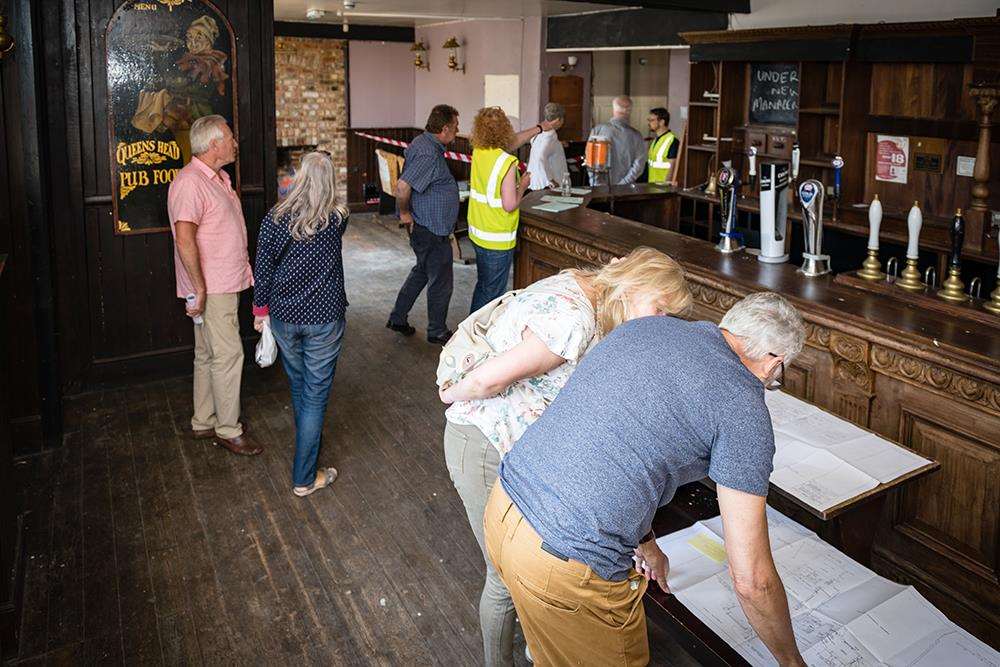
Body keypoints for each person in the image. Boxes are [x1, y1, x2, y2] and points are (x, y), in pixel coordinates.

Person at [485, 292, 808, 667]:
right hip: (562, 560)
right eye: (779, 375)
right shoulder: (743, 409)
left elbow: (615, 439)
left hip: (505, 506)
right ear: (774, 361)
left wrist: (646, 542)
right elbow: (752, 580)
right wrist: (791, 661)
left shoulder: (648, 328)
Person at [439, 248, 692, 667]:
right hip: (485, 442)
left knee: (519, 568)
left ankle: (536, 647)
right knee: (503, 575)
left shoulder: (593, 294)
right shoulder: (575, 316)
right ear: (634, 285)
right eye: (660, 308)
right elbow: (487, 380)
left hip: (520, 449)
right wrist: (451, 393)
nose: (660, 323)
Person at [251, 151, 350, 497]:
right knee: (315, 394)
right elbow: (327, 210)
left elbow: (262, 270)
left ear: (298, 176)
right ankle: (305, 477)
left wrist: (260, 311)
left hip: (284, 317)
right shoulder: (337, 219)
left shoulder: (274, 219)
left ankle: (310, 449)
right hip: (324, 318)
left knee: (300, 386)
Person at [168, 114, 261, 456]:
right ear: (213, 145)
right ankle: (227, 429)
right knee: (228, 354)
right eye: (230, 138)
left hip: (221, 281)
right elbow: (184, 239)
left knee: (207, 354)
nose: (235, 143)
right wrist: (200, 287)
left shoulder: (218, 177)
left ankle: (204, 419)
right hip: (213, 286)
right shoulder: (191, 182)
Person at [467, 108, 563, 313]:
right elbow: (509, 204)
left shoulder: (480, 151)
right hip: (497, 237)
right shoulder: (507, 162)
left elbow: (511, 143)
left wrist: (540, 128)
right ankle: (477, 337)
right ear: (504, 130)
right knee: (491, 294)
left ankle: (471, 332)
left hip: (478, 232)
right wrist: (524, 184)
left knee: (483, 285)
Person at [387, 104, 461, 346]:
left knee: (421, 272)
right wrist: (405, 212)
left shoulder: (424, 142)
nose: (458, 131)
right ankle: (437, 331)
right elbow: (402, 187)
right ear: (446, 128)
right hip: (430, 228)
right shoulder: (429, 153)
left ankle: (398, 318)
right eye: (456, 126)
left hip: (427, 226)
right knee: (441, 282)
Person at [588, 95, 646, 186]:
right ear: (629, 111)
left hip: (599, 190)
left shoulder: (597, 131)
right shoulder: (637, 136)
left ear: (614, 109)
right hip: (625, 191)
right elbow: (639, 166)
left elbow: (590, 160)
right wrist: (623, 184)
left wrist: (597, 184)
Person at [526, 103, 569, 191]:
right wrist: (551, 180)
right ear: (558, 120)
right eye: (563, 119)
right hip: (548, 186)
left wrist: (558, 144)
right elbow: (540, 157)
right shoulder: (551, 135)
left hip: (535, 183)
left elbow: (539, 147)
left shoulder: (539, 133)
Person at [646, 107, 679, 184]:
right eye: (649, 120)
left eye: (652, 120)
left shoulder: (672, 141)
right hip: (652, 185)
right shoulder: (656, 140)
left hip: (663, 188)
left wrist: (665, 188)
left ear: (662, 122)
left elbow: (672, 167)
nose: (649, 123)